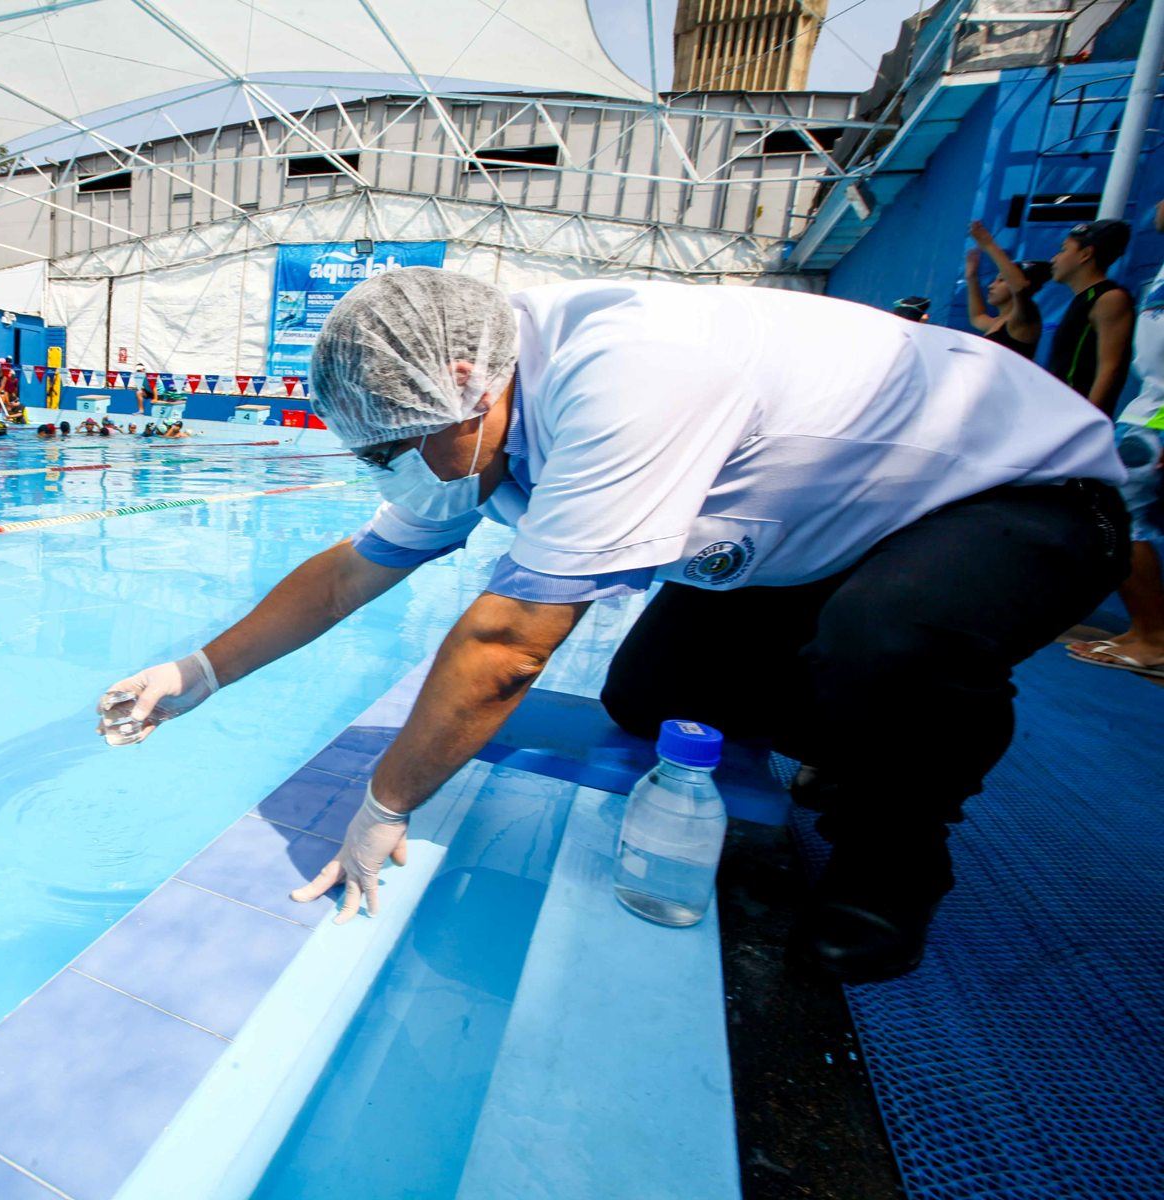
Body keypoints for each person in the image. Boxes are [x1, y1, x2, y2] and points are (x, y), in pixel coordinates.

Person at [95, 269, 1128, 984]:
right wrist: (195, 670)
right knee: (648, 696)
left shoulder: (629, 377)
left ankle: (895, 852)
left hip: (1025, 499)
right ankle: (855, 721)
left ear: (468, 398)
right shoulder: (473, 403)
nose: (389, 471)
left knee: (892, 642)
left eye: (393, 449)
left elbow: (508, 646)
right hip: (830, 531)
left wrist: (384, 803)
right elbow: (344, 578)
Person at [1069, 198, 1164, 680]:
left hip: (1158, 423)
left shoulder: (1112, 298)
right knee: (1128, 519)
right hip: (1147, 414)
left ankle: (1154, 637)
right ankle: (1143, 628)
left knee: (1129, 523)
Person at [1048, 218, 1135, 414]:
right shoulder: (1083, 300)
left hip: (1077, 419)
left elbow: (1109, 369)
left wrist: (1087, 421)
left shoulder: (1110, 299)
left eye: (1063, 250)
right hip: (1060, 413)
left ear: (1085, 255)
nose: (1054, 258)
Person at [964, 221, 1049, 359]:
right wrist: (971, 277)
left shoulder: (1024, 319)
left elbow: (1019, 287)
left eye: (1002, 280)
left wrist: (988, 244)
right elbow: (977, 318)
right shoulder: (998, 322)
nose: (991, 286)